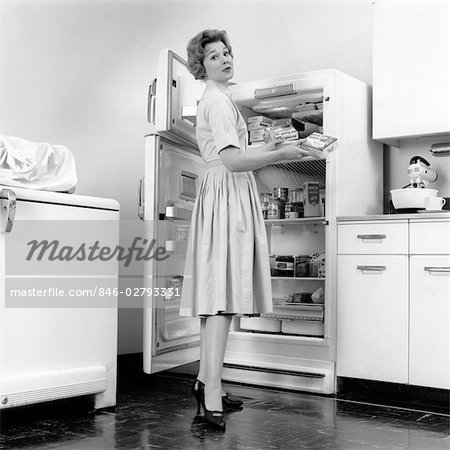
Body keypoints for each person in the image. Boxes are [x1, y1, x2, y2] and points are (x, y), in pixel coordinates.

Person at [180, 29, 310, 430]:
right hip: (226, 191)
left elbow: (236, 154)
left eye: (227, 53)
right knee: (220, 295)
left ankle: (206, 380)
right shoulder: (217, 101)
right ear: (201, 67)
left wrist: (274, 148)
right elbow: (233, 162)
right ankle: (212, 394)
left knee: (221, 292)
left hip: (226, 192)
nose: (225, 59)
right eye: (215, 56)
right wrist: (285, 153)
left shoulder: (221, 100)